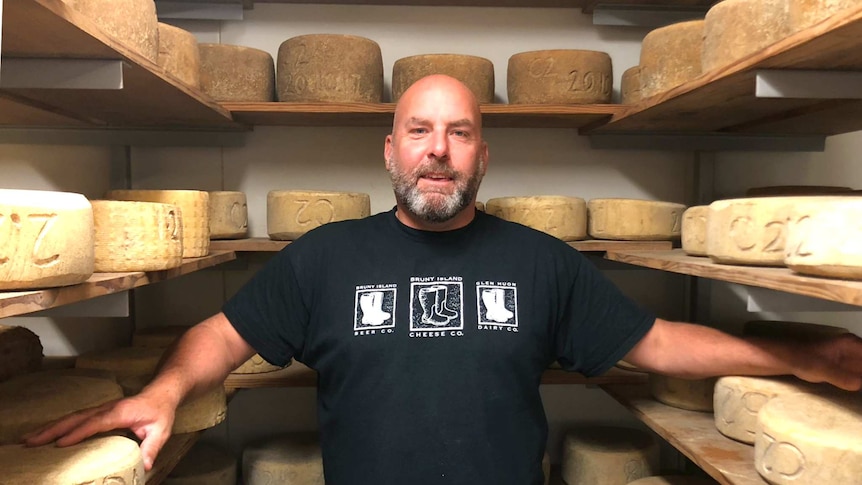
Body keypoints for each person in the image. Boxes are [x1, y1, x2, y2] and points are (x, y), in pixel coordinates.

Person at [25, 75, 862, 484]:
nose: (437, 149)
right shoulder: (326, 258)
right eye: (418, 131)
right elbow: (219, 333)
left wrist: (795, 358)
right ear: (389, 152)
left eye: (459, 133)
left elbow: (663, 343)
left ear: (481, 156)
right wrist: (167, 391)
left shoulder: (539, 262)